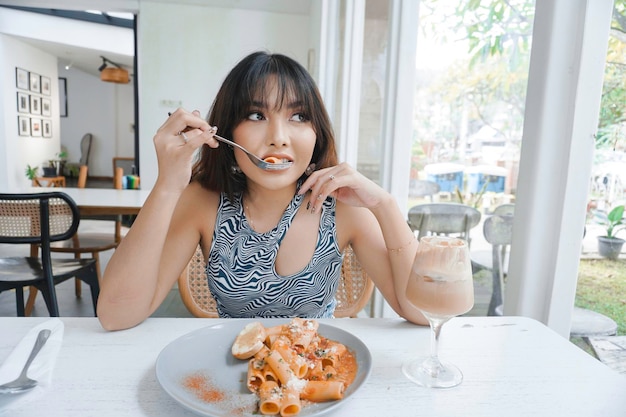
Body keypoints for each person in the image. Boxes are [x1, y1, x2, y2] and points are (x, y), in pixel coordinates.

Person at [97, 51, 427, 330]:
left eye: (298, 116)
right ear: (225, 131)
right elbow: (116, 314)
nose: (279, 137)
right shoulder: (203, 202)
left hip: (316, 378)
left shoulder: (341, 205)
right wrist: (168, 185)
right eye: (256, 115)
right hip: (232, 381)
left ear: (317, 133)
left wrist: (384, 205)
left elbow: (420, 310)